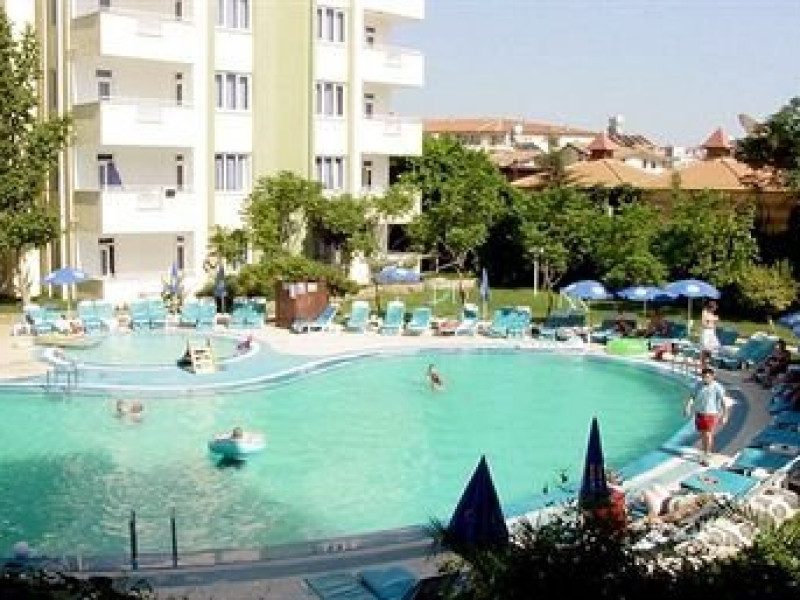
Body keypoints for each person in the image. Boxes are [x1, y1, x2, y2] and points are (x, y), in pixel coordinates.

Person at [684, 367, 729, 464]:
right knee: (703, 434)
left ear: (712, 377)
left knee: (708, 435)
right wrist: (687, 407)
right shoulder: (698, 384)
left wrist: (725, 415)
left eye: (707, 377)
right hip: (699, 413)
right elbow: (692, 396)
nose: (705, 379)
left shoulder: (717, 387)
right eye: (704, 377)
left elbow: (723, 402)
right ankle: (704, 452)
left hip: (711, 414)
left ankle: (707, 455)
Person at [699, 300, 720, 371]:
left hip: (711, 333)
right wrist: (712, 320)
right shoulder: (705, 312)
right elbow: (703, 324)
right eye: (714, 308)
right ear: (711, 307)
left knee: (712, 348)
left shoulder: (713, 314)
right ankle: (703, 367)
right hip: (706, 332)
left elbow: (714, 325)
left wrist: (715, 322)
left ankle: (707, 365)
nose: (715, 309)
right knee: (705, 349)